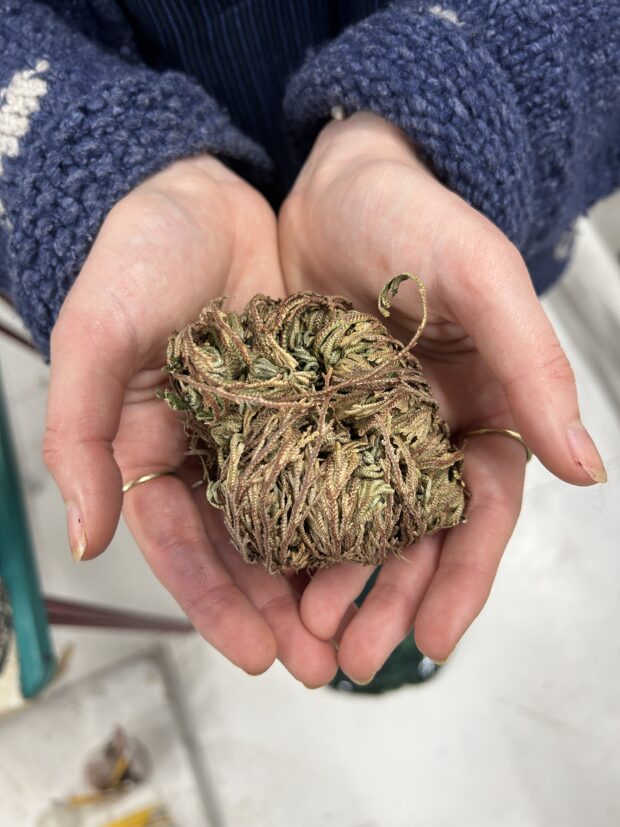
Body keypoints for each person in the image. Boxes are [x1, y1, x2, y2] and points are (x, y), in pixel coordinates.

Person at [0, 0, 616, 690]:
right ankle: (372, 654)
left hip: (446, 237)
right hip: (188, 188)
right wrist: (81, 172)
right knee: (344, 597)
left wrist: (468, 90)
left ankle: (393, 641)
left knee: (419, 555)